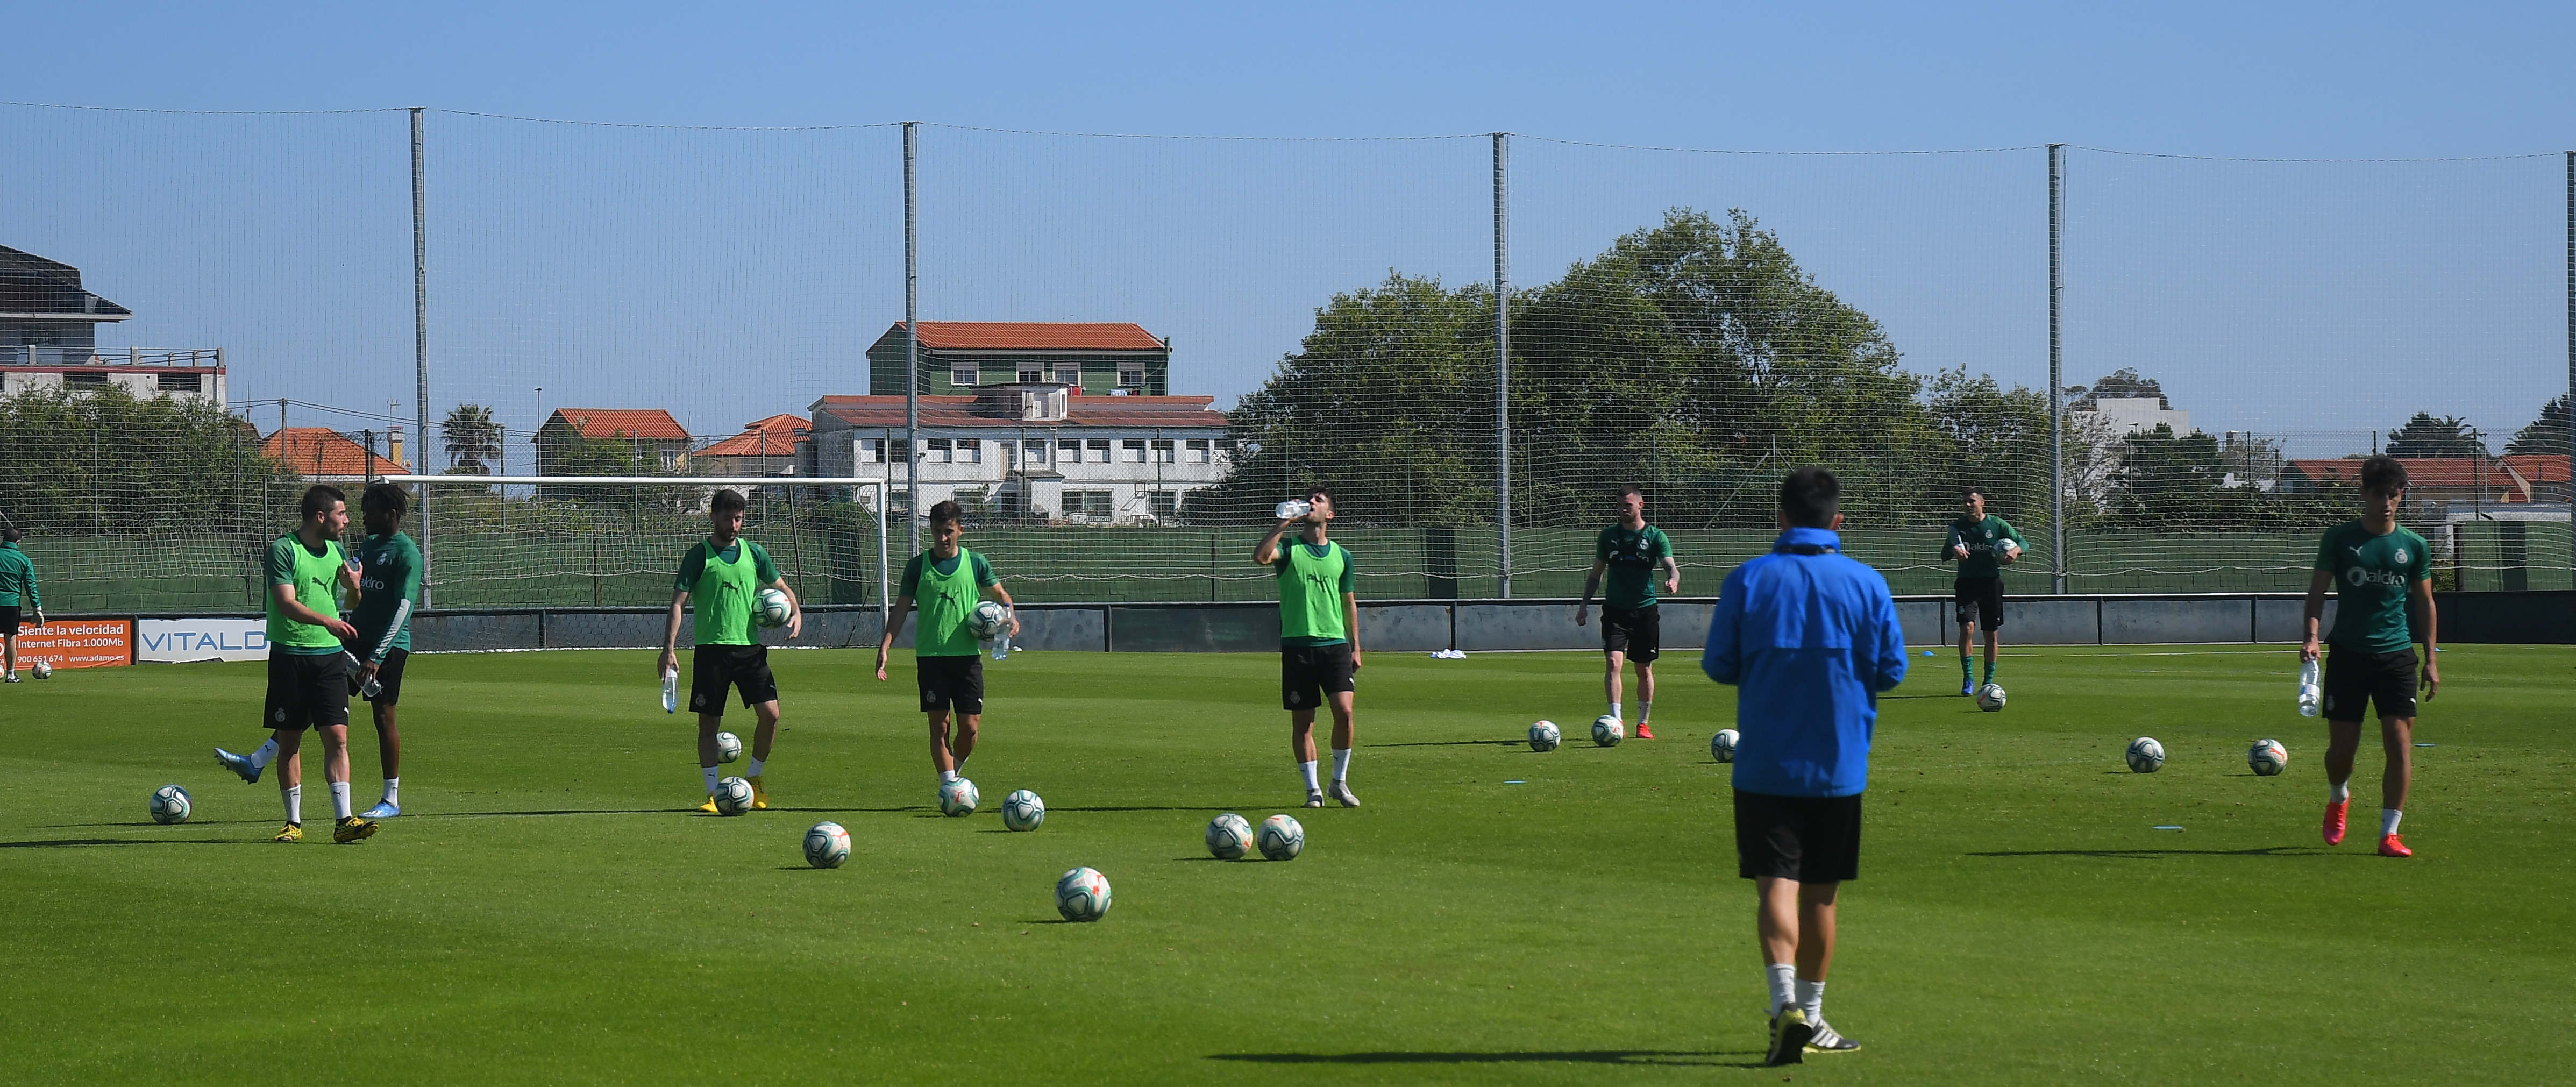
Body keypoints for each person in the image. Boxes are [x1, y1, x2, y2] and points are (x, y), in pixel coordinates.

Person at [1703, 467, 1906, 1065]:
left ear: (1781, 517)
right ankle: (1812, 1018)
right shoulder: (1867, 583)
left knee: (1775, 885)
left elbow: (1719, 665)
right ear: (1837, 520)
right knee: (1820, 897)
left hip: (1765, 763)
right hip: (1838, 764)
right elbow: (1892, 671)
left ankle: (1781, 1004)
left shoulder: (1749, 578)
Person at [213, 485, 380, 844]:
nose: (347, 520)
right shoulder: (283, 550)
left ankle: (344, 820)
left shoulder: (336, 550)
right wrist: (329, 622)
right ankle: (293, 822)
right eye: (341, 514)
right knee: (289, 741)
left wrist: (355, 588)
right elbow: (286, 604)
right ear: (321, 517)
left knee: (337, 737)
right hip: (290, 656)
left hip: (329, 657)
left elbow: (352, 599)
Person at [2303, 454, 2438, 858]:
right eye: (2379, 495)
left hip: (2396, 655)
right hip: (2348, 654)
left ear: (2401, 497)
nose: (2387, 503)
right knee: (2342, 752)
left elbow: (2426, 604)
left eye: (2394, 496)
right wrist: (2311, 637)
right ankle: (2338, 796)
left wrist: (2431, 658)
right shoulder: (2340, 539)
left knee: (2399, 743)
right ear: (2363, 494)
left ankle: (2389, 833)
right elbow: (2316, 596)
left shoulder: (2414, 545)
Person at [659, 488, 801, 813]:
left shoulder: (755, 554)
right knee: (708, 726)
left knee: (772, 715)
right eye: (728, 519)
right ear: (714, 517)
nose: (734, 525)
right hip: (712, 652)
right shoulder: (699, 556)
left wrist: (796, 611)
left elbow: (783, 588)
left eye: (739, 519)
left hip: (750, 651)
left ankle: (754, 779)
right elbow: (677, 605)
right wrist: (669, 650)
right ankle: (712, 793)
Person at [876, 500, 1020, 787]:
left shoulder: (976, 563)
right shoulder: (918, 567)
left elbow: (1002, 595)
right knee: (940, 727)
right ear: (931, 530)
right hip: (931, 658)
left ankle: (954, 773)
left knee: (970, 729)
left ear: (961, 530)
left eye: (949, 531)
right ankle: (950, 786)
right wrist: (885, 647)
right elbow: (901, 610)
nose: (943, 538)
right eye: (938, 531)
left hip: (967, 658)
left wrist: (1010, 617)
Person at [1254, 487, 1362, 808]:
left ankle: (1339, 783)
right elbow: (1260, 557)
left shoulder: (1342, 556)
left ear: (1330, 514)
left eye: (1318, 500)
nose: (1310, 503)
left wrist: (1356, 646)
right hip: (1298, 646)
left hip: (1334, 645)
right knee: (1304, 723)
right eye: (1309, 500)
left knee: (1345, 712)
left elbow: (1349, 602)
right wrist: (1282, 524)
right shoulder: (1288, 548)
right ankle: (1313, 790)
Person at [1576, 485, 1679, 738]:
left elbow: (1671, 567)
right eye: (1620, 505)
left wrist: (1673, 580)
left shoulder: (1656, 537)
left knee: (1643, 668)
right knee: (1613, 662)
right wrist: (1583, 605)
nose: (1623, 510)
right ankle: (1616, 722)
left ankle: (1643, 723)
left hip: (1645, 610)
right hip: (1615, 611)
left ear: (1641, 506)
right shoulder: (1608, 536)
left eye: (1628, 505)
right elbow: (1595, 574)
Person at [345, 481, 421, 819]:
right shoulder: (369, 544)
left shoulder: (407, 553)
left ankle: (391, 799)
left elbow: (404, 608)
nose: (365, 518)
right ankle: (260, 760)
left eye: (370, 513)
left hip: (387, 648)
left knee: (383, 716)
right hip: (355, 638)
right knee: (317, 696)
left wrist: (377, 655)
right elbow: (356, 589)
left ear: (390, 515)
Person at [1941, 489, 2025, 697]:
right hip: (1967, 584)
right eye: (1965, 502)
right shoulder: (1958, 527)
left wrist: (2014, 551)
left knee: (1991, 633)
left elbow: (2024, 543)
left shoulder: (1997, 525)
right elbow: (1943, 554)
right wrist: (1954, 551)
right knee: (1967, 628)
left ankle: (1988, 682)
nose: (1968, 505)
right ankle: (1968, 678)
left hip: (1992, 584)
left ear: (1982, 503)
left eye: (1972, 501)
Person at [0, 525, 41, 683]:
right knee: (10, 638)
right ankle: (11, 674)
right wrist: (37, 608)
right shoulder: (23, 560)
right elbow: (31, 586)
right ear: (18, 542)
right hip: (11, 604)